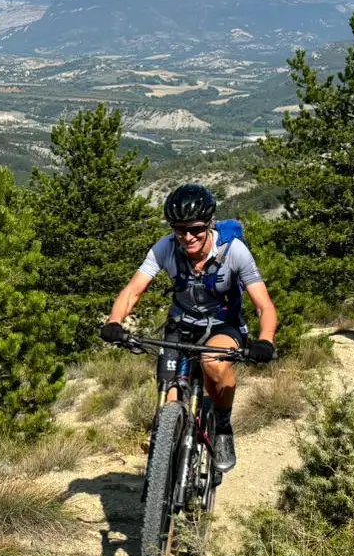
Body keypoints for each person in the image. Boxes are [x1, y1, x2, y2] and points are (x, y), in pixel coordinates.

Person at [99, 184, 278, 475]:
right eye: (180, 230)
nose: (188, 237)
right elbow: (133, 290)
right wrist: (114, 322)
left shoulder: (234, 251)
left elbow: (264, 306)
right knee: (167, 400)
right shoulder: (166, 247)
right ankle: (164, 478)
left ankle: (221, 427)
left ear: (209, 224)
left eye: (195, 229)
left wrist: (265, 340)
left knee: (213, 364)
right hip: (180, 326)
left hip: (223, 325)